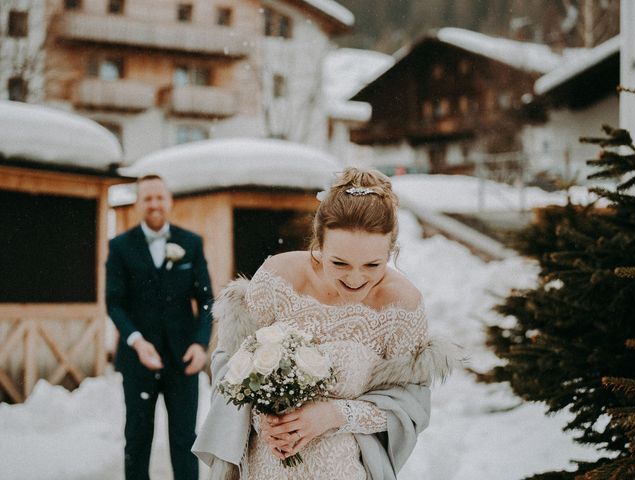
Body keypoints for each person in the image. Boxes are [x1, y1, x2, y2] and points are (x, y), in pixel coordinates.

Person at [193, 168, 460, 479]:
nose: (356, 278)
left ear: (392, 250)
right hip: (265, 467)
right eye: (340, 263)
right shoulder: (279, 277)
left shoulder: (403, 306)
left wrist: (334, 415)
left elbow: (409, 408)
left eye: (373, 265)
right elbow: (231, 369)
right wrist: (258, 418)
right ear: (318, 243)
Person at [107, 174, 213, 480]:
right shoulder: (120, 247)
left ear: (169, 201)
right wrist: (137, 342)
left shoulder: (190, 244)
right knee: (137, 440)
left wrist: (200, 343)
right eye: (147, 198)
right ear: (139, 203)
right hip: (138, 361)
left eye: (158, 197)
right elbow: (114, 303)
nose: (154, 204)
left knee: (184, 440)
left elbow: (206, 299)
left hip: (184, 360)